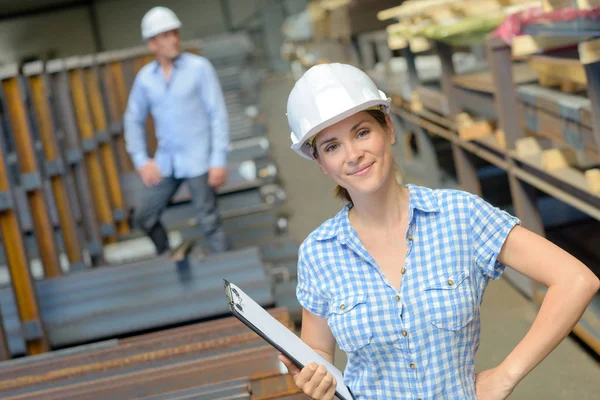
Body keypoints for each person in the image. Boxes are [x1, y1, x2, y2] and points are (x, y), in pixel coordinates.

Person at [278, 63, 600, 400]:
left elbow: (576, 280)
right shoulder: (319, 252)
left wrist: (506, 375)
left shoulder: (460, 215)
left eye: (361, 132)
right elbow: (319, 352)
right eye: (332, 146)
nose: (353, 155)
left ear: (388, 128)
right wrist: (313, 376)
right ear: (320, 163)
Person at [124, 6, 230, 255]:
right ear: (152, 44)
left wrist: (218, 161)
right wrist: (141, 160)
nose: (174, 39)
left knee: (209, 222)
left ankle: (230, 279)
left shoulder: (199, 68)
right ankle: (167, 256)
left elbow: (218, 114)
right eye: (165, 35)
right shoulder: (145, 79)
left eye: (175, 33)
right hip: (166, 162)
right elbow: (132, 119)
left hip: (199, 162)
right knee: (145, 216)